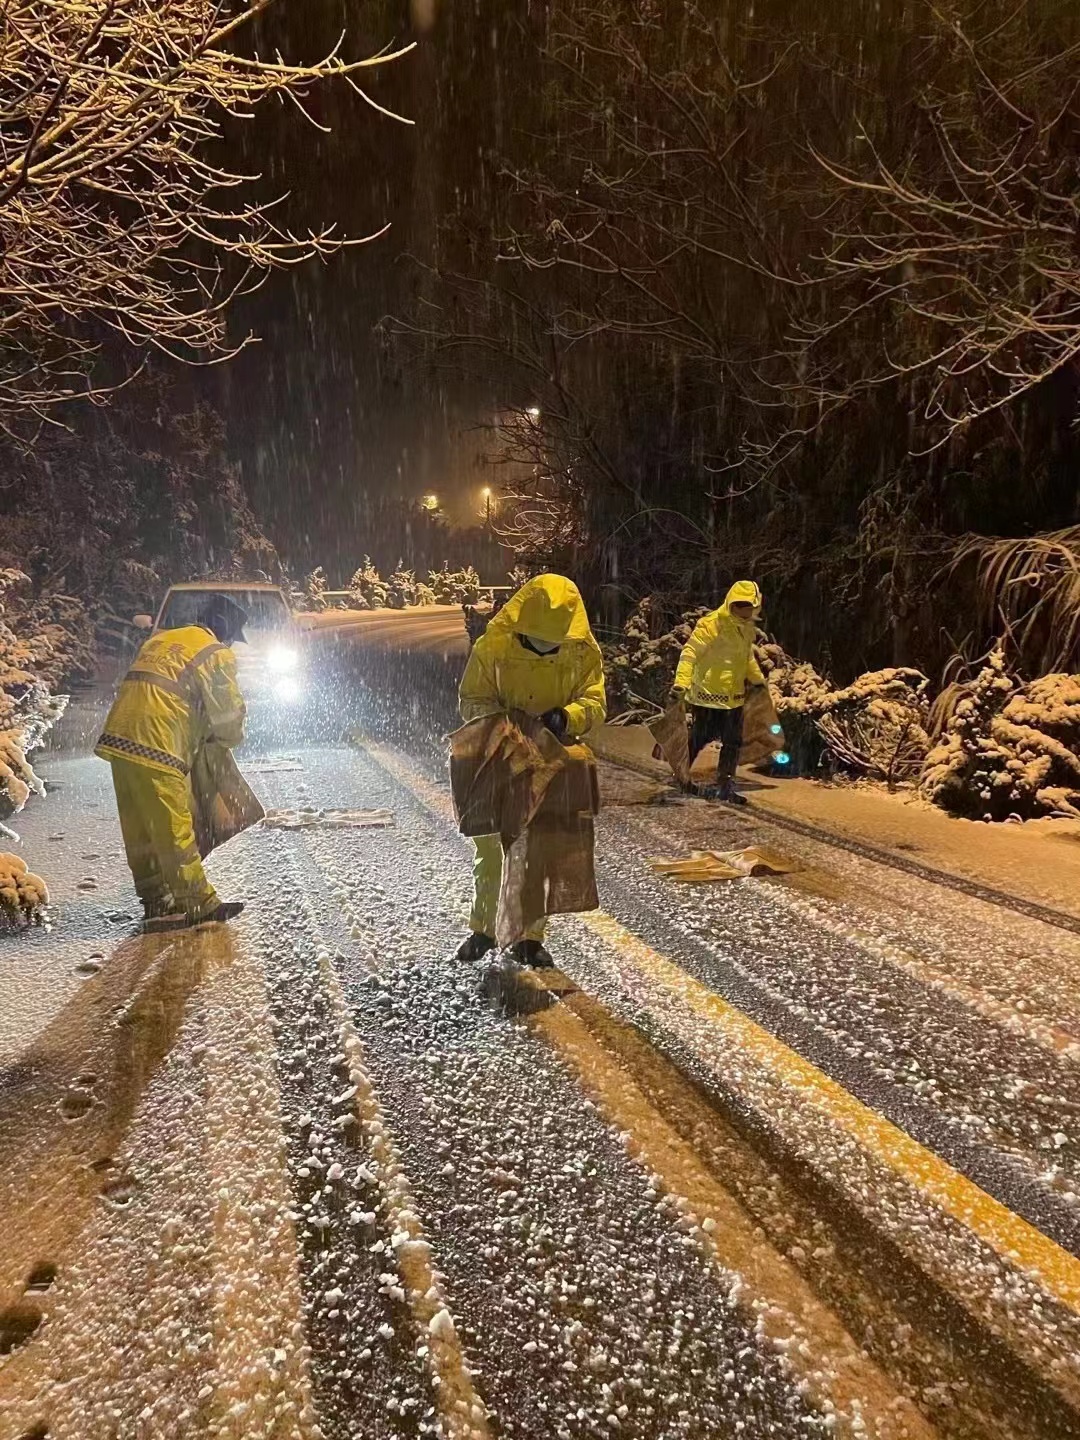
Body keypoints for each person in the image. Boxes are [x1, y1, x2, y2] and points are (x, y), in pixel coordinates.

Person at [455, 573, 606, 967]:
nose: (542, 648)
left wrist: (567, 717)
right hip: (497, 758)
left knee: (539, 849)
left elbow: (594, 702)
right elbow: (471, 700)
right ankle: (484, 930)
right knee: (492, 850)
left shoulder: (581, 654)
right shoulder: (493, 648)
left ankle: (530, 938)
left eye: (551, 643)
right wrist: (502, 723)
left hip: (549, 761)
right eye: (534, 640)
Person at [96, 594, 249, 931]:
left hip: (121, 734)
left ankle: (155, 897)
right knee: (174, 827)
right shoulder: (216, 653)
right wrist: (225, 740)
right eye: (232, 637)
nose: (230, 644)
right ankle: (200, 904)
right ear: (223, 628)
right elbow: (228, 717)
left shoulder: (162, 639)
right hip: (159, 741)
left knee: (138, 824)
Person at [670, 580, 765, 806]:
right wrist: (681, 683)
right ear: (730, 603)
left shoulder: (746, 628)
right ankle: (681, 774)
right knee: (700, 737)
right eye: (739, 605)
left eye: (748, 606)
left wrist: (757, 680)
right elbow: (690, 654)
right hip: (707, 695)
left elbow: (746, 658)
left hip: (733, 697)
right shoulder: (712, 624)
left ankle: (725, 785)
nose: (743, 611)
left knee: (733, 742)